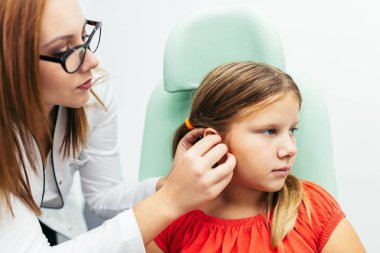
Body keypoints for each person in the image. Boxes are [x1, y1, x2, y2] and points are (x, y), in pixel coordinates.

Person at [0, 0, 237, 252]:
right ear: (11, 63)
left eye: (84, 35)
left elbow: (102, 196)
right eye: (64, 51)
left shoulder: (92, 94)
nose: (92, 60)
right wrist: (171, 200)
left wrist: (166, 186)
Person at [146, 62, 366, 253]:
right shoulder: (171, 220)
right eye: (269, 131)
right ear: (215, 141)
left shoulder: (313, 209)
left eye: (292, 130)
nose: (289, 149)